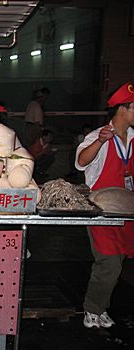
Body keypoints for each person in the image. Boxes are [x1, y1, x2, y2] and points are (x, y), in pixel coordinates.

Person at [75, 82, 134, 329]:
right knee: (109, 261)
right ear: (123, 110)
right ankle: (92, 309)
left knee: (118, 260)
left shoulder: (132, 137)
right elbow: (80, 162)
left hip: (128, 209)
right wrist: (99, 142)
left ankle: (101, 308)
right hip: (102, 209)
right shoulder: (98, 135)